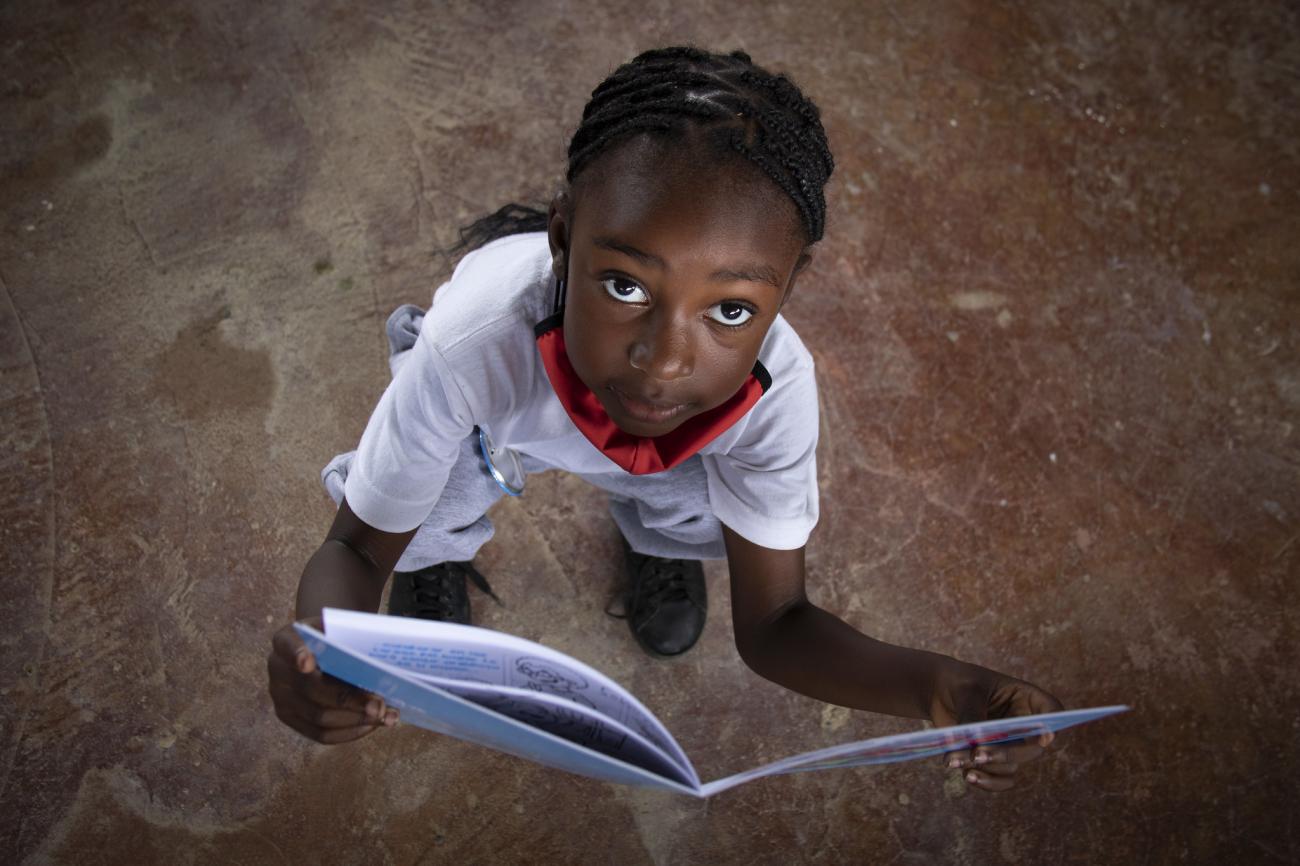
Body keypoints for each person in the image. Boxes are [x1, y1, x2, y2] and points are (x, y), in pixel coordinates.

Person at [267, 46, 1062, 792]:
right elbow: (353, 546)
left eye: (730, 308)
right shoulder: (472, 343)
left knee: (699, 513)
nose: (665, 359)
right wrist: (326, 642)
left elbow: (777, 621)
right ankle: (435, 561)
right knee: (423, 509)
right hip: (492, 425)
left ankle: (655, 540)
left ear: (788, 289)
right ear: (562, 237)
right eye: (623, 286)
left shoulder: (774, 391)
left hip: (685, 445)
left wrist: (938, 686)